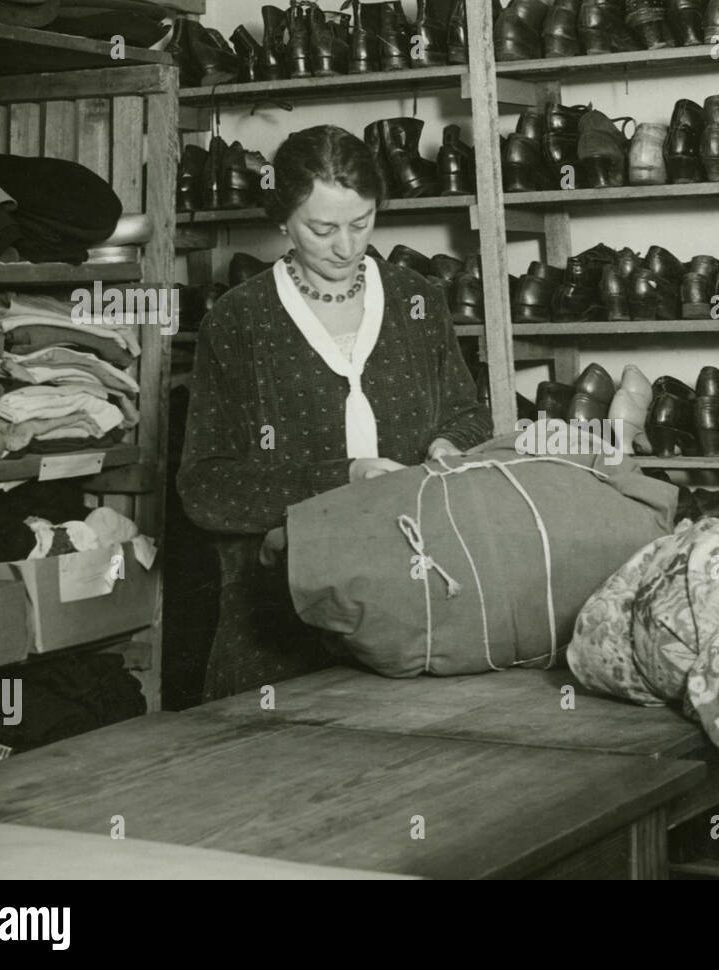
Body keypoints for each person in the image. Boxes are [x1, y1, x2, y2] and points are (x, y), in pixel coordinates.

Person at [178, 124, 492, 701]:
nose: (345, 247)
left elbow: (470, 416)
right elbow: (205, 488)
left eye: (361, 222)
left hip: (415, 608)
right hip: (278, 622)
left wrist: (449, 446)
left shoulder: (416, 299)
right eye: (321, 229)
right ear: (282, 221)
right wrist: (342, 478)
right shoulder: (240, 320)